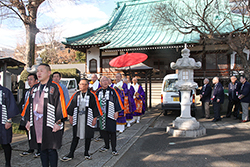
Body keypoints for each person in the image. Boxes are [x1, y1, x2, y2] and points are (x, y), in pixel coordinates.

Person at [21, 63, 67, 167]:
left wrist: (58, 121)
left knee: (51, 148)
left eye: (42, 71)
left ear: (49, 72)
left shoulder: (55, 87)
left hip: (50, 122)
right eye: (37, 71)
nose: (39, 73)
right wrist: (28, 120)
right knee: (41, 148)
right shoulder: (34, 88)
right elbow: (29, 105)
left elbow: (61, 105)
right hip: (37, 123)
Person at [60, 79, 102, 161]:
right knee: (75, 136)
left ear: (87, 85)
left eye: (83, 84)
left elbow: (95, 107)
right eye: (80, 84)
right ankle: (70, 154)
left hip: (88, 117)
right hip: (77, 118)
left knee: (88, 136)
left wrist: (95, 118)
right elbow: (71, 106)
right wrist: (70, 116)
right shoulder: (76, 94)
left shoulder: (92, 95)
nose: (81, 86)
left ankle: (86, 152)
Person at [96, 76, 123, 156]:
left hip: (111, 114)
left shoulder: (113, 91)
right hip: (102, 115)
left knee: (112, 131)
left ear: (108, 82)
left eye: (106, 80)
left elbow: (117, 101)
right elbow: (95, 103)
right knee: (103, 131)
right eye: (103, 81)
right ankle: (106, 145)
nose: (104, 82)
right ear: (100, 83)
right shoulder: (98, 92)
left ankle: (114, 148)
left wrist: (116, 111)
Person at [0, 75, 19, 167]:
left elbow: (11, 106)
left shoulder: (5, 91)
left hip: (3, 122)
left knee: (5, 143)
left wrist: (9, 120)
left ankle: (8, 163)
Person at [19, 73, 40, 157]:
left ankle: (39, 149)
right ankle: (31, 148)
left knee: (36, 133)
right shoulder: (27, 91)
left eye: (31, 79)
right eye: (28, 79)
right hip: (26, 114)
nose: (29, 81)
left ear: (36, 80)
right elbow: (23, 102)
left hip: (35, 115)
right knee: (28, 132)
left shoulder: (38, 91)